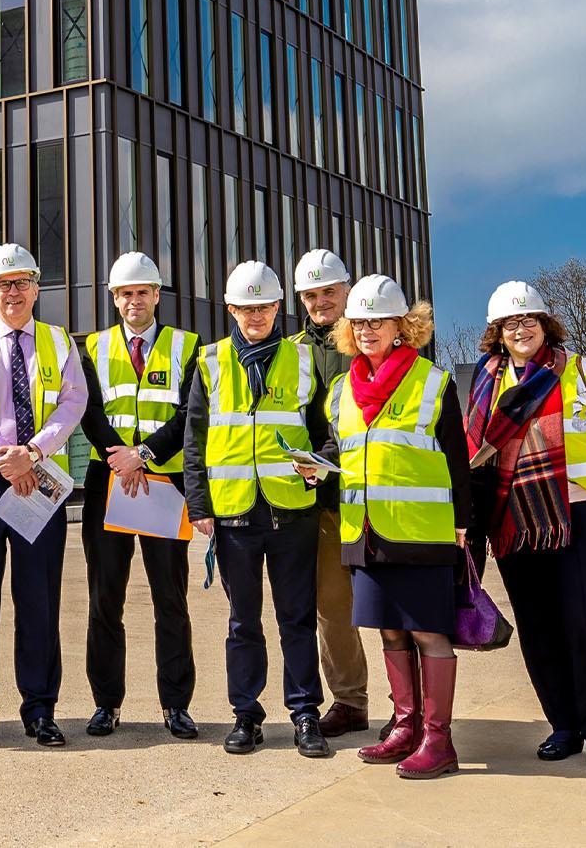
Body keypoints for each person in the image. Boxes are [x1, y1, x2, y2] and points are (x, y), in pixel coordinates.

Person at [307, 274, 471, 780]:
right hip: (366, 533)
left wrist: (464, 527)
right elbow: (348, 449)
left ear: (405, 325)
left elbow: (457, 462)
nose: (366, 330)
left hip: (421, 532)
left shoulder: (432, 381)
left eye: (377, 320)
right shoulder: (341, 390)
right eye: (358, 322)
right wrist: (317, 464)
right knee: (392, 631)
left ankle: (439, 740)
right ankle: (406, 725)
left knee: (428, 633)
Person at [466, 281, 586, 770]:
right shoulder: (486, 382)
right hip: (514, 521)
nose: (520, 329)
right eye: (510, 323)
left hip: (581, 515)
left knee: (583, 622)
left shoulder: (581, 370)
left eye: (528, 319)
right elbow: (474, 456)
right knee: (538, 628)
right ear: (496, 332)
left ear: (545, 324)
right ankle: (563, 725)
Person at [183, 261, 330, 759]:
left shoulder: (303, 360)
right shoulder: (210, 362)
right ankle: (245, 715)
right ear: (230, 309)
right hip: (234, 515)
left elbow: (325, 431)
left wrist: (322, 464)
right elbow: (195, 439)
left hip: (292, 510)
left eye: (264, 306)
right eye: (246, 308)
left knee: (297, 618)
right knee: (242, 621)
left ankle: (305, 714)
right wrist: (199, 505)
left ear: (277, 308)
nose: (256, 315)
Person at [0, 243, 86, 750]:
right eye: (4, 284)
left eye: (22, 282)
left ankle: (41, 709)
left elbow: (74, 403)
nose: (13, 292)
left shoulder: (58, 340)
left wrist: (34, 453)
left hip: (39, 487)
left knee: (39, 601)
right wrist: (3, 456)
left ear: (36, 288)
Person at [78, 252, 199, 740]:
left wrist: (143, 454)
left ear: (157, 295)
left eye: (142, 292)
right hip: (107, 481)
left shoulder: (187, 346)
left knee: (171, 599)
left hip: (163, 482)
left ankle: (176, 704)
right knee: (104, 599)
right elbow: (85, 410)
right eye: (125, 293)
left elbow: (190, 413)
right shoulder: (92, 346)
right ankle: (107, 703)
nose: (134, 301)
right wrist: (118, 457)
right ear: (114, 298)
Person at [291, 249, 370, 738]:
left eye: (329, 292)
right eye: (311, 295)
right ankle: (350, 701)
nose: (321, 302)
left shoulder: (371, 339)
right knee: (333, 607)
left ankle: (414, 706)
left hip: (375, 491)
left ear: (348, 289)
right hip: (321, 499)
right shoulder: (291, 350)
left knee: (393, 605)